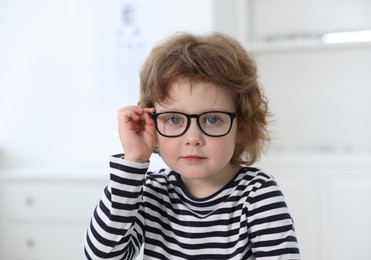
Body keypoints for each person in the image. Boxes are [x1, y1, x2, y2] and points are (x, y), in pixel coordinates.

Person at [84, 32, 300, 259]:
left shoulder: (258, 195)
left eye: (213, 119)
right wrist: (134, 160)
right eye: (175, 120)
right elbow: (102, 256)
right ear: (152, 124)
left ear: (242, 128)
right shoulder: (151, 192)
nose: (193, 138)